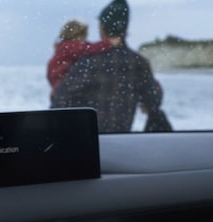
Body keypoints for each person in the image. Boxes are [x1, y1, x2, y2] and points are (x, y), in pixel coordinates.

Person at [50, 0, 172, 133]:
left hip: (91, 141)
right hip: (121, 140)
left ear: (102, 28)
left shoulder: (89, 62)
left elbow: (59, 99)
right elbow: (154, 100)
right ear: (125, 30)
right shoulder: (139, 63)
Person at [47, 19, 112, 94]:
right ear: (76, 35)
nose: (84, 40)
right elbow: (88, 48)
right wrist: (108, 43)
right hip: (61, 79)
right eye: (84, 37)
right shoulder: (69, 46)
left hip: (58, 80)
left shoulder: (64, 46)